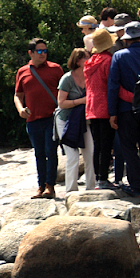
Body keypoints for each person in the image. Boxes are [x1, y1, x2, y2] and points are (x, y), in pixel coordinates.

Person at [107, 21, 140, 196]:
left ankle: (137, 186)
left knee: (129, 147)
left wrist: (112, 112)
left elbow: (113, 85)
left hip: (125, 108)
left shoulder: (119, 56)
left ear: (126, 40)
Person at [14, 38, 63, 199]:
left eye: (45, 51)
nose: (43, 54)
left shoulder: (55, 69)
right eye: (40, 51)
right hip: (33, 119)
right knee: (39, 153)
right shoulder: (22, 71)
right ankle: (41, 186)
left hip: (52, 117)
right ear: (31, 53)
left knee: (51, 151)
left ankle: (50, 186)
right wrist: (21, 109)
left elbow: (64, 91)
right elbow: (17, 95)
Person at [55, 48, 95, 195]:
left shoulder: (90, 76)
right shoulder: (67, 79)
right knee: (72, 156)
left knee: (90, 153)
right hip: (66, 120)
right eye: (86, 58)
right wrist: (81, 101)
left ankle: (91, 187)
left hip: (84, 120)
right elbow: (61, 103)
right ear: (78, 61)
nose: (89, 60)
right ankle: (71, 190)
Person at [84, 28, 117, 190]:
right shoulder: (109, 60)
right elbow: (111, 85)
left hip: (91, 107)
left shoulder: (89, 62)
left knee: (98, 145)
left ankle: (99, 178)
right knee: (106, 145)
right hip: (105, 106)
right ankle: (103, 179)